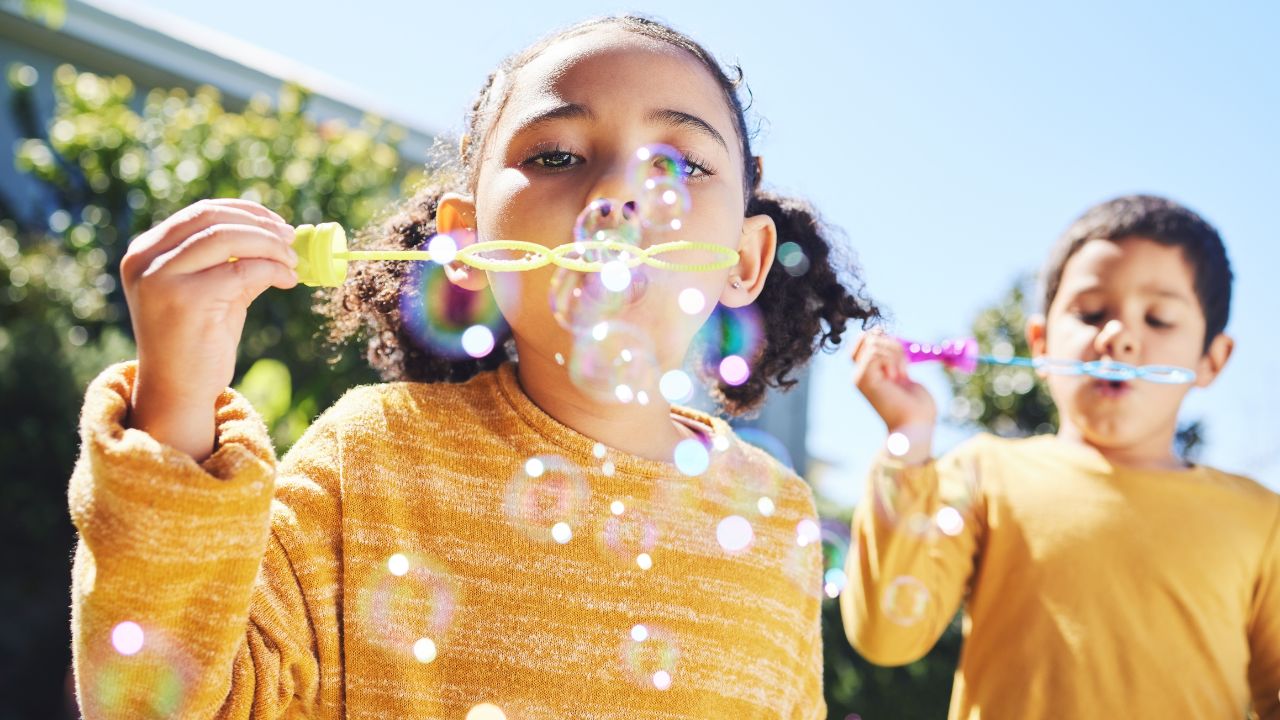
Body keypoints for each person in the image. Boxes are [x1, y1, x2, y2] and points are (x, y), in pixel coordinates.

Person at [68, 15, 880, 718]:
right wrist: (176, 396)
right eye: (558, 154)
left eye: (681, 164)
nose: (619, 196)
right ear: (465, 248)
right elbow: (158, 700)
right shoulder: (373, 459)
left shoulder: (779, 519)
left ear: (745, 258)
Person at [843, 194, 1280, 718]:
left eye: (1159, 319)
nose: (1116, 336)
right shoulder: (985, 474)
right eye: (1092, 313)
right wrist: (908, 434)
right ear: (1041, 342)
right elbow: (886, 637)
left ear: (1212, 359)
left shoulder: (1260, 518)